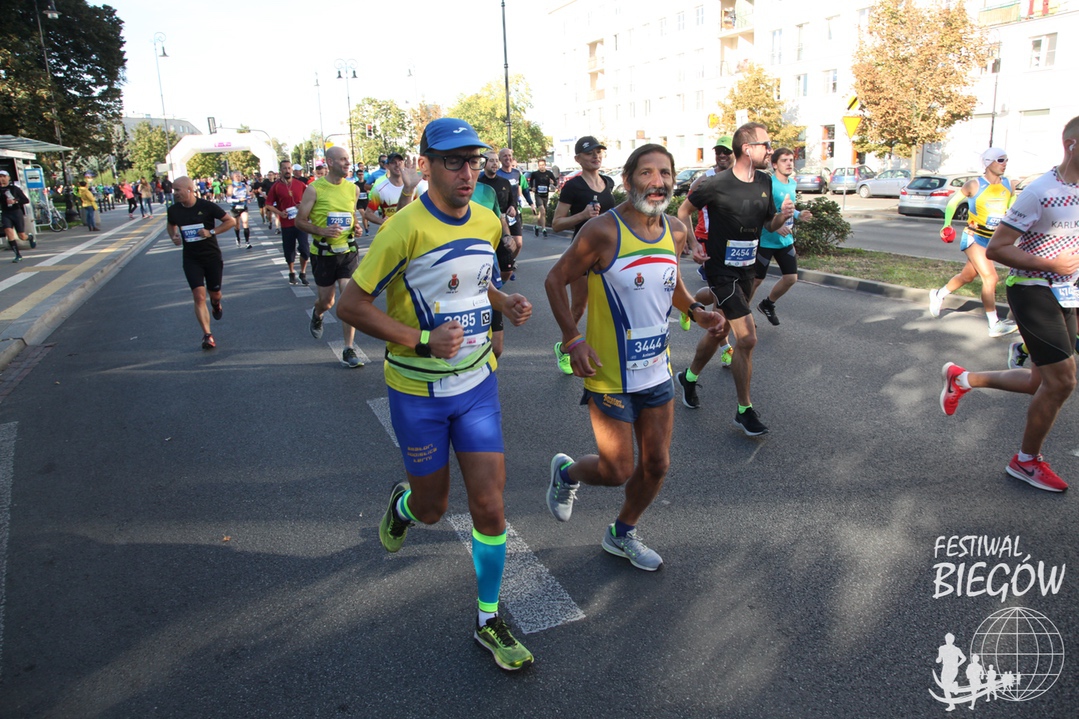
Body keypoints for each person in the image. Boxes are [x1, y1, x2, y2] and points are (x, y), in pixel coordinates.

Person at [337, 118, 535, 671]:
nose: (467, 173)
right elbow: (350, 306)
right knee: (432, 510)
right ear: (424, 165)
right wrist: (422, 339)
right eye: (453, 161)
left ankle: (488, 619)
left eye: (474, 161)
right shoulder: (402, 229)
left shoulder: (488, 220)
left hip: (476, 385)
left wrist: (503, 302)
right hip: (417, 392)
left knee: (490, 506)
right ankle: (404, 505)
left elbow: (478, 281)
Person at [543, 143, 723, 572]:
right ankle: (567, 474)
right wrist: (572, 339)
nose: (657, 182)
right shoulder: (602, 231)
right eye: (646, 173)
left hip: (657, 370)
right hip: (609, 375)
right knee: (617, 470)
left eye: (665, 173)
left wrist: (696, 311)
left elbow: (670, 284)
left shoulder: (675, 231)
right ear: (627, 180)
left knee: (657, 464)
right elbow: (554, 279)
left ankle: (622, 533)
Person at [939, 117, 1079, 492]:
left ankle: (963, 379)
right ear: (1072, 145)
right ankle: (1026, 462)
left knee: (1039, 382)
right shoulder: (1040, 191)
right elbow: (998, 248)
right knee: (1063, 381)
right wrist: (1052, 265)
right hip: (1032, 289)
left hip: (1066, 290)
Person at [674, 122, 795, 436]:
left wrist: (782, 216)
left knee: (720, 329)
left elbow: (769, 224)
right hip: (721, 271)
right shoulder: (716, 184)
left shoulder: (765, 181)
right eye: (766, 145)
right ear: (747, 148)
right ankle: (744, 410)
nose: (770, 150)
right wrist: (693, 244)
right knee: (748, 338)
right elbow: (683, 211)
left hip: (747, 269)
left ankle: (688, 378)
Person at [929, 147, 1019, 337]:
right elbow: (953, 203)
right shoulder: (974, 184)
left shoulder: (1008, 185)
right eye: (1000, 160)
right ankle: (994, 324)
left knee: (967, 276)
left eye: (1006, 160)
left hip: (993, 239)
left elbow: (1011, 209)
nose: (1004, 164)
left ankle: (938, 294)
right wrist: (947, 224)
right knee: (991, 278)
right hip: (974, 236)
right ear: (988, 162)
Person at [550, 136, 617, 374]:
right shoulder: (573, 186)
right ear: (578, 159)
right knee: (579, 307)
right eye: (590, 153)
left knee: (611, 304)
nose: (596, 156)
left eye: (599, 152)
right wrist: (582, 215)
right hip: (583, 253)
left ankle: (608, 349)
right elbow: (556, 223)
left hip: (609, 254)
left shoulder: (608, 182)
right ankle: (565, 347)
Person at [294, 146, 364, 368]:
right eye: (342, 159)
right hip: (323, 253)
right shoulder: (314, 189)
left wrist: (356, 227)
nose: (347, 163)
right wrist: (322, 230)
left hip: (348, 251)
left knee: (348, 298)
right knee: (327, 301)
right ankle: (318, 313)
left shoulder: (353, 189)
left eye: (348, 159)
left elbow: (351, 216)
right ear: (330, 162)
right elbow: (299, 221)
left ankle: (348, 348)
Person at [166, 177, 237, 350]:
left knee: (215, 293)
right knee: (198, 295)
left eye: (177, 190)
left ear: (189, 189)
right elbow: (171, 225)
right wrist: (174, 236)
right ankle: (207, 335)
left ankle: (216, 304)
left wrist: (211, 231)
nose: (175, 193)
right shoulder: (174, 210)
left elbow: (231, 221)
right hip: (191, 259)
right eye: (174, 190)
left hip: (211, 257)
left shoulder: (207, 206)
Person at [676, 135, 735, 336]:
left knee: (720, 292)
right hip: (709, 241)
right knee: (721, 295)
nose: (722, 155)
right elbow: (684, 210)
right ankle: (724, 346)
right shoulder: (705, 179)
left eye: (726, 151)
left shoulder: (741, 178)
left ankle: (690, 305)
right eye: (718, 151)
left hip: (732, 244)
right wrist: (692, 242)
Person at [752, 147, 813, 325]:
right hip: (766, 240)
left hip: (785, 241)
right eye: (784, 160)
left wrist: (799, 215)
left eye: (791, 160)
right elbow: (758, 210)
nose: (789, 164)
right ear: (774, 165)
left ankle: (767, 304)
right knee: (756, 280)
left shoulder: (792, 183)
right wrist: (775, 226)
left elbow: (787, 208)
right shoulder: (768, 183)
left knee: (791, 278)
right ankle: (743, 314)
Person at [475, 153, 515, 358]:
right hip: (459, 272)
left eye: (474, 162)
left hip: (488, 260)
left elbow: (500, 217)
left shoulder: (488, 191)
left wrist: (507, 236)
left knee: (497, 348)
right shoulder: (446, 194)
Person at [265, 159, 311, 285]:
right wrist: (280, 213)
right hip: (287, 223)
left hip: (301, 222)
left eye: (289, 168)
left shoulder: (299, 184)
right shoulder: (276, 186)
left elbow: (310, 199)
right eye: (284, 168)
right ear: (280, 170)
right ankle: (291, 272)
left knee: (305, 249)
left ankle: (303, 272)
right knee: (289, 250)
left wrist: (303, 205)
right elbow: (268, 204)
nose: (287, 170)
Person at [496, 147, 529, 275]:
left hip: (513, 212)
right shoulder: (497, 174)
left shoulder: (517, 173)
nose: (508, 158)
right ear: (500, 159)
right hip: (500, 214)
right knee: (503, 243)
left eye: (509, 155)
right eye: (504, 156)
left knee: (518, 243)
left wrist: (530, 203)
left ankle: (511, 260)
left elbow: (522, 190)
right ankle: (502, 264)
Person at [363, 152, 407, 229]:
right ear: (387, 166)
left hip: (410, 231)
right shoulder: (380, 189)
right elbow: (368, 214)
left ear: (404, 164)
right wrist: (383, 222)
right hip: (391, 231)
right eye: (393, 162)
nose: (397, 165)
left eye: (400, 162)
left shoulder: (413, 186)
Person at [1, 171, 35, 262]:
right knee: (9, 232)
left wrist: (15, 201)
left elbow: (26, 200)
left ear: (8, 178)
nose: (2, 179)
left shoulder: (14, 188)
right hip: (6, 213)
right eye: (0, 177)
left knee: (22, 236)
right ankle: (17, 255)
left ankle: (30, 237)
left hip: (16, 213)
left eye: (4, 176)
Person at [936, 632, 966, 712]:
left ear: (952, 640)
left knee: (946, 687)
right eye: (947, 639)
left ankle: (952, 702)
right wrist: (938, 660)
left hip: (951, 668)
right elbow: (939, 659)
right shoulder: (942, 648)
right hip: (946, 668)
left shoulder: (956, 649)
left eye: (950, 639)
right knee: (945, 687)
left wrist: (957, 665)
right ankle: (953, 688)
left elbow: (964, 658)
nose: (948, 640)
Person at [529, 159, 557, 237]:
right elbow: (531, 181)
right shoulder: (535, 173)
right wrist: (532, 187)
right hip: (538, 195)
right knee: (543, 211)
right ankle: (544, 229)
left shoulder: (549, 173)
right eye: (540, 165)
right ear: (538, 166)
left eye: (543, 165)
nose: (541, 167)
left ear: (545, 165)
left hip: (545, 195)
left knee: (541, 213)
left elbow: (555, 182)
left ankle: (537, 226)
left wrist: (553, 182)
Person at [226, 171, 253, 248]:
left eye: (239, 176)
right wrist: (238, 200)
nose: (238, 178)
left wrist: (249, 198)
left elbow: (248, 195)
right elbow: (228, 199)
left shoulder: (245, 186)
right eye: (236, 176)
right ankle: (238, 238)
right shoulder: (231, 187)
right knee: (237, 225)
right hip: (234, 208)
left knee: (245, 222)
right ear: (233, 178)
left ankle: (247, 242)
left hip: (243, 207)